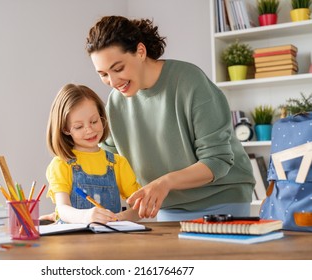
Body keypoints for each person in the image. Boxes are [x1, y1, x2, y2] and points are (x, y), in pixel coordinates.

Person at [85, 15, 255, 221]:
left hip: (221, 198)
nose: (112, 81)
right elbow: (109, 164)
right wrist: (69, 208)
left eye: (118, 68)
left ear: (140, 51)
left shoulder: (190, 82)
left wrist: (164, 183)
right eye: (103, 74)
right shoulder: (115, 104)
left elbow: (217, 161)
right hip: (169, 206)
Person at [44, 83, 141, 224]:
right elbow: (63, 208)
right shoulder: (61, 164)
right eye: (79, 126)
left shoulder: (117, 163)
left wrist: (117, 218)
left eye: (94, 121)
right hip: (72, 242)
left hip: (111, 240)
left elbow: (138, 208)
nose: (89, 130)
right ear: (65, 129)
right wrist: (86, 217)